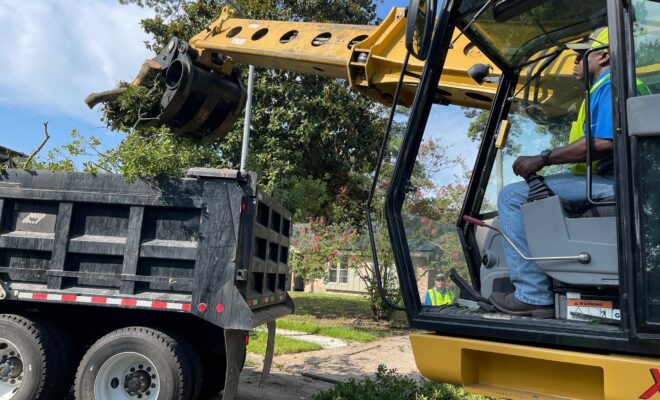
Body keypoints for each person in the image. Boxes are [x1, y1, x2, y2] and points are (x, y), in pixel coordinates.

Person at [489, 28, 614, 318]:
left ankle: (532, 295)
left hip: (610, 183)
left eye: (580, 57)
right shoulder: (607, 89)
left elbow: (604, 142)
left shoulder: (609, 85)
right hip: (616, 180)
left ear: (604, 55)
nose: (574, 64)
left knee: (512, 196)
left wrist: (543, 159)